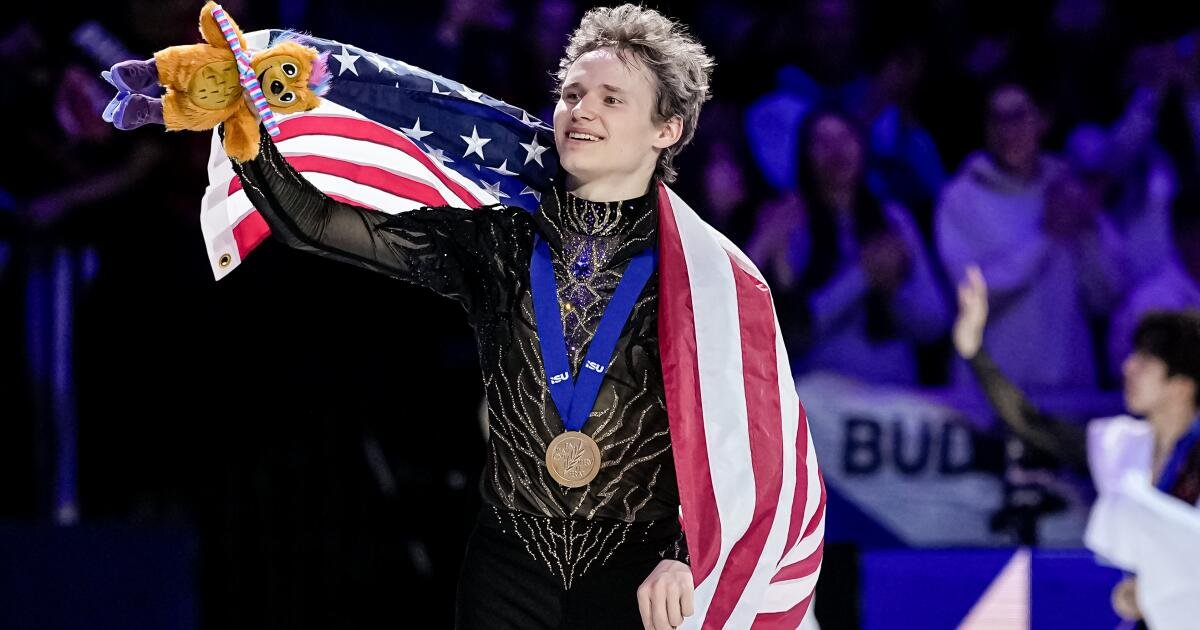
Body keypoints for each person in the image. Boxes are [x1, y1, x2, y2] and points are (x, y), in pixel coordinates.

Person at [118, 5, 823, 629]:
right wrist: (255, 142)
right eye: (572, 92)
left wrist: (690, 556)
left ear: (668, 128)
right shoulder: (499, 240)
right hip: (507, 566)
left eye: (612, 98)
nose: (582, 109)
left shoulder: (705, 279)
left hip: (637, 575)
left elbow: (746, 447)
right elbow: (319, 225)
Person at [953, 264, 1200, 626]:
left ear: (1182, 385)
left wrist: (1155, 592)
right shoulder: (1121, 445)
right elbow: (1032, 423)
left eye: (1146, 361)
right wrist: (974, 351)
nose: (1128, 367)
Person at [937, 82, 1126, 392]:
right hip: (994, 388)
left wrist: (1089, 228)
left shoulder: (1068, 187)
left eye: (1017, 116)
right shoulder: (961, 199)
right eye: (995, 119)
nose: (1006, 129)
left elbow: (1108, 294)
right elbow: (970, 296)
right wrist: (1045, 237)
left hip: (1068, 388)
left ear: (1043, 121)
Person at [747, 108, 949, 385]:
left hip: (893, 397)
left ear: (862, 145)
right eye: (822, 142)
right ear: (805, 155)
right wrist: (861, 277)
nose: (836, 150)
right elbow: (791, 334)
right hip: (822, 402)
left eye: (845, 138)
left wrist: (895, 291)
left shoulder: (893, 218)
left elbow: (935, 322)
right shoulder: (790, 221)